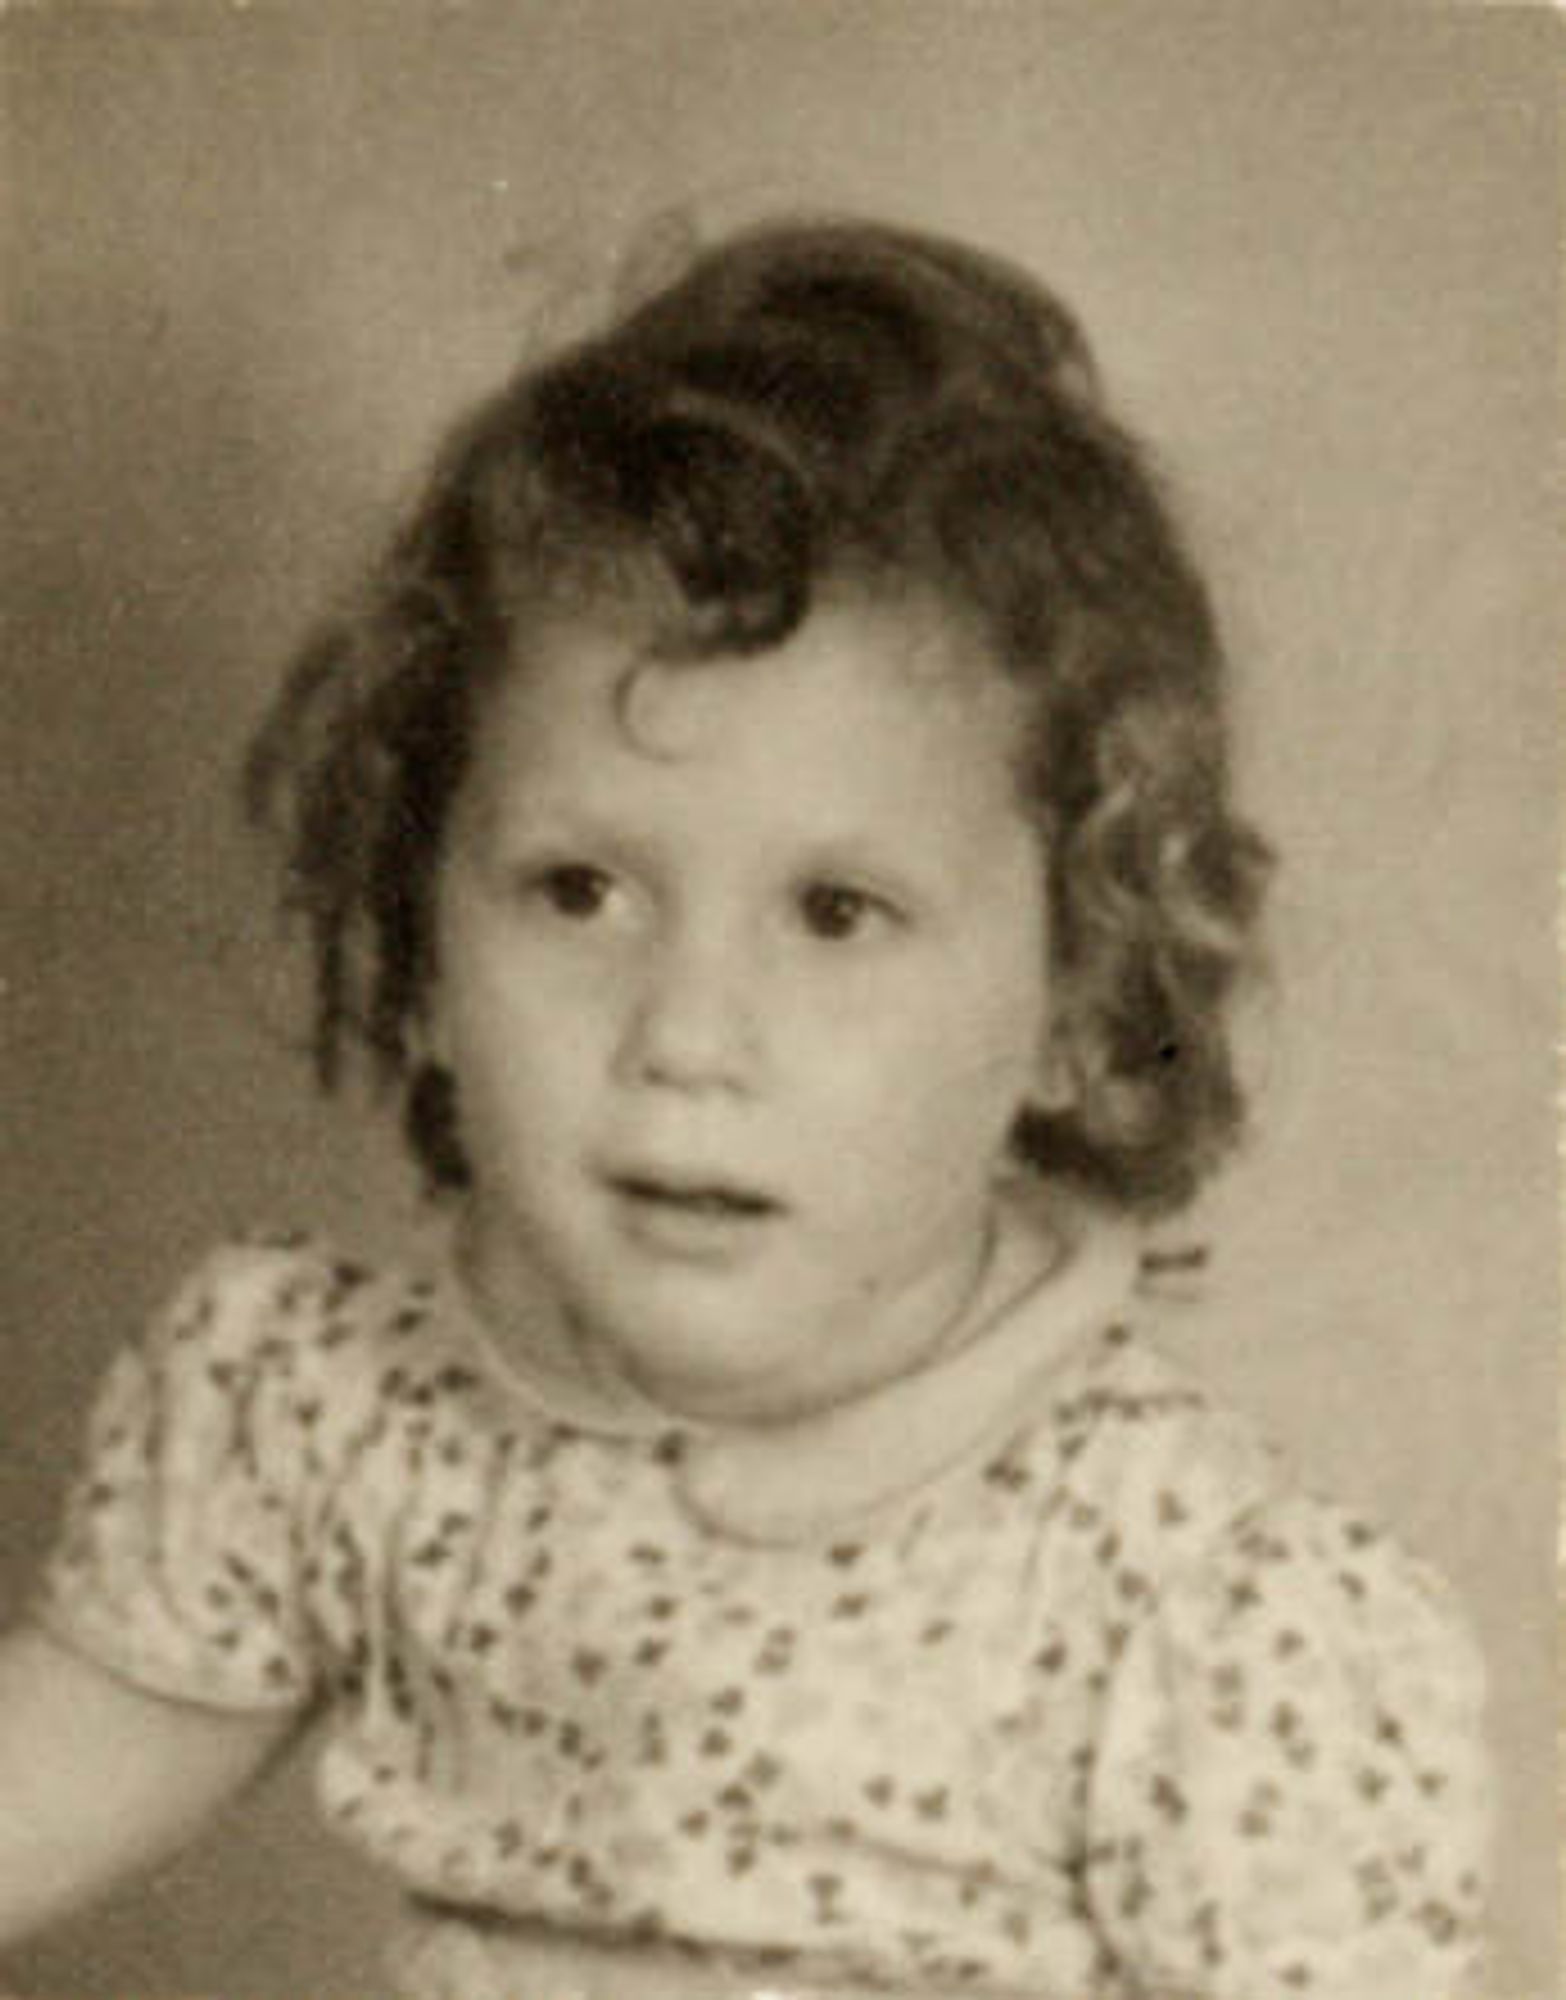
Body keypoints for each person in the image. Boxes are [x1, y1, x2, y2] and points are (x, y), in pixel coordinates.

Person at [0, 217, 1490, 1999]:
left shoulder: (1181, 1608)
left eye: (836, 914)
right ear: (417, 939)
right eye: (576, 892)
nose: (686, 1034)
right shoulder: (342, 1419)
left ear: (1077, 1012)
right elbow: (60, 1773)